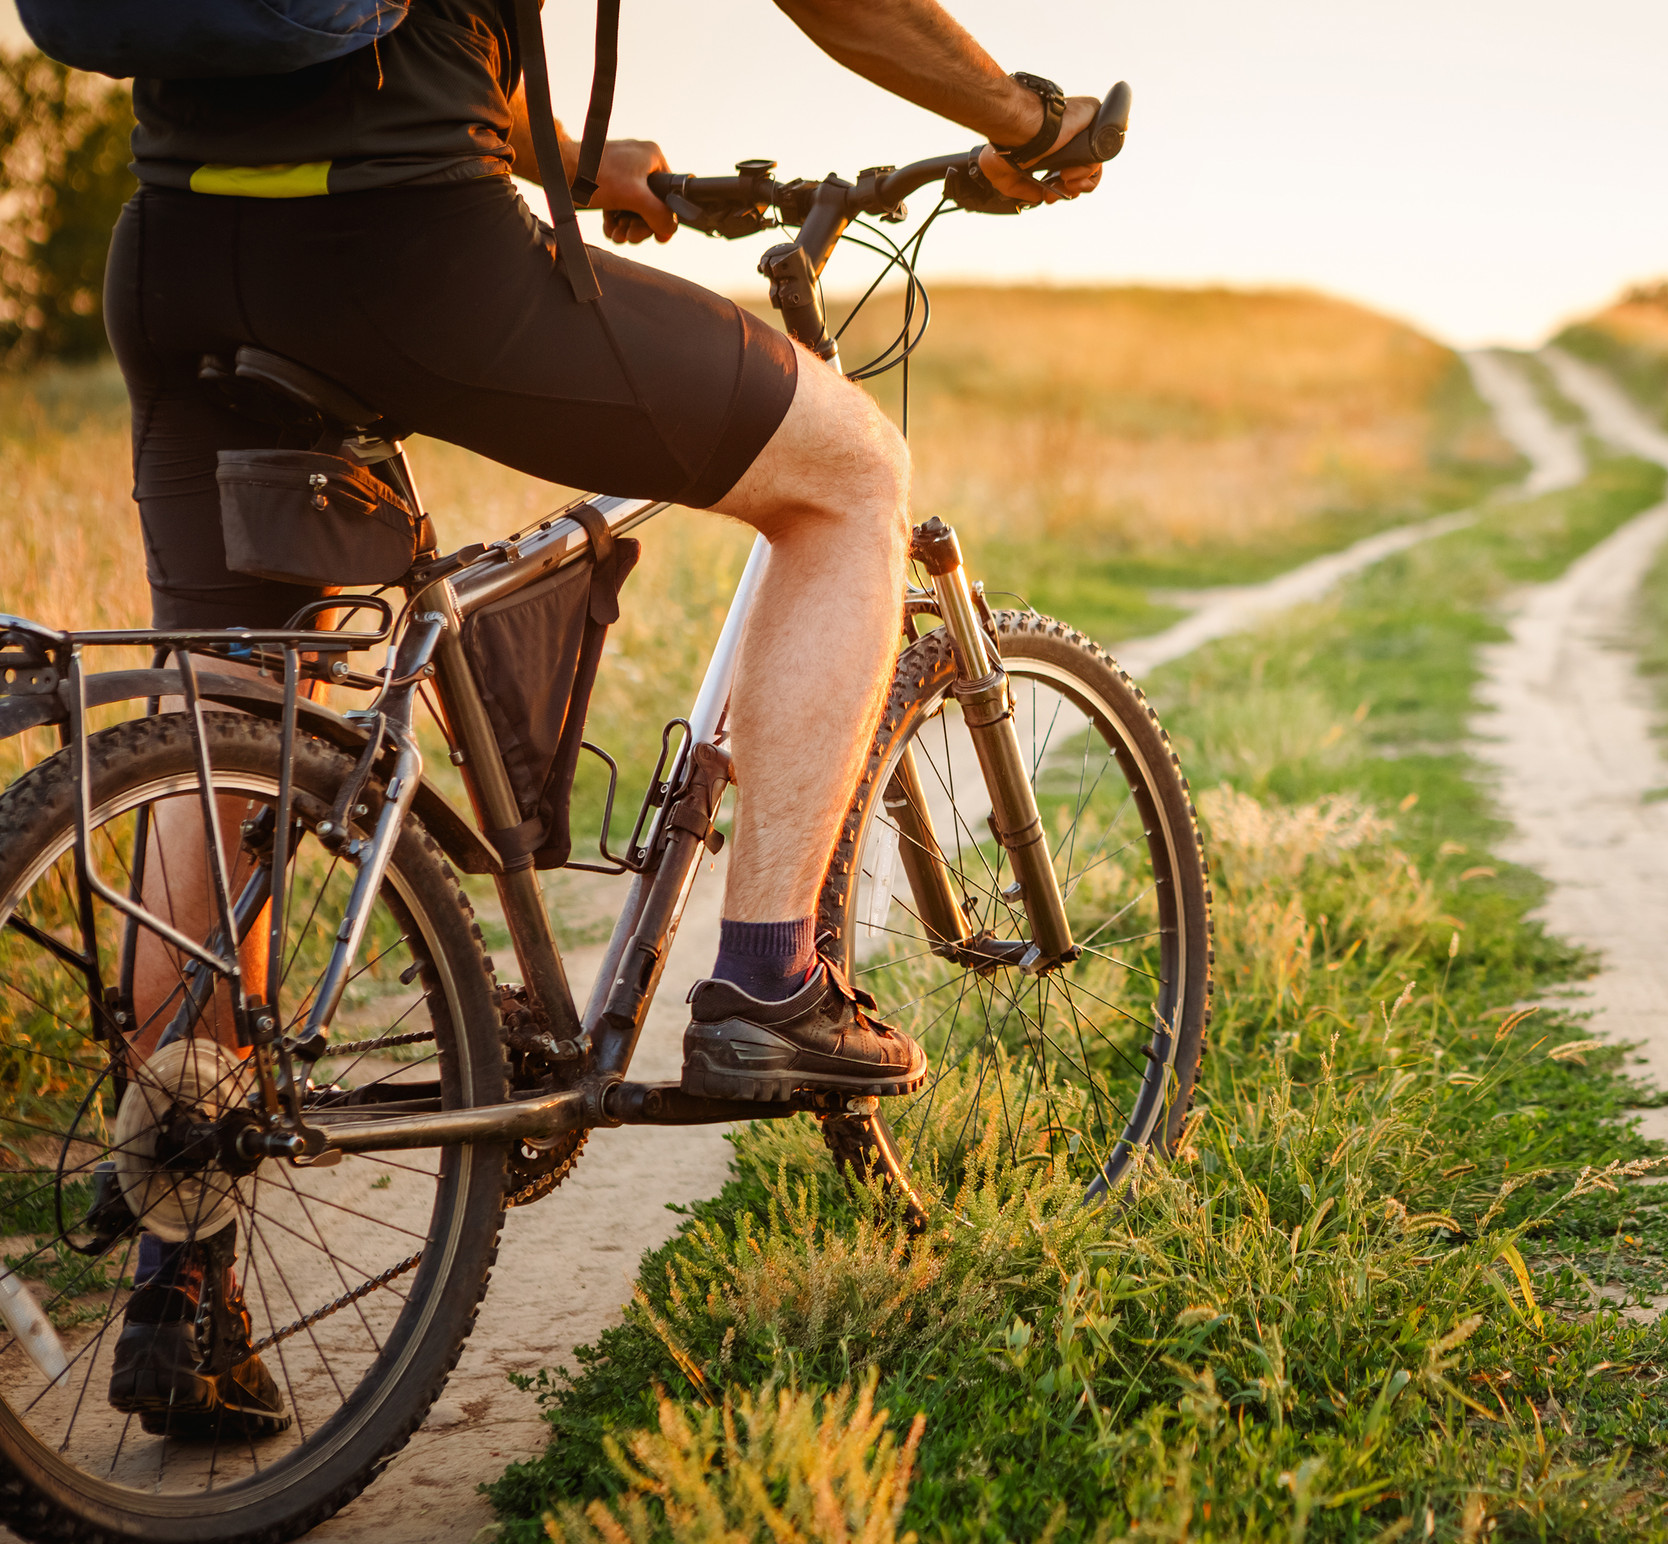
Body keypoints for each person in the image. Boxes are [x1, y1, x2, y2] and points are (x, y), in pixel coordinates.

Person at [100, 0, 1108, 1431]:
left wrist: (572, 159)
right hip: (404, 249)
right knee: (851, 477)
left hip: (177, 253)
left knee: (223, 727)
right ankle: (769, 984)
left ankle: (181, 1273)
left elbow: (369, 51)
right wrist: (1024, 122)